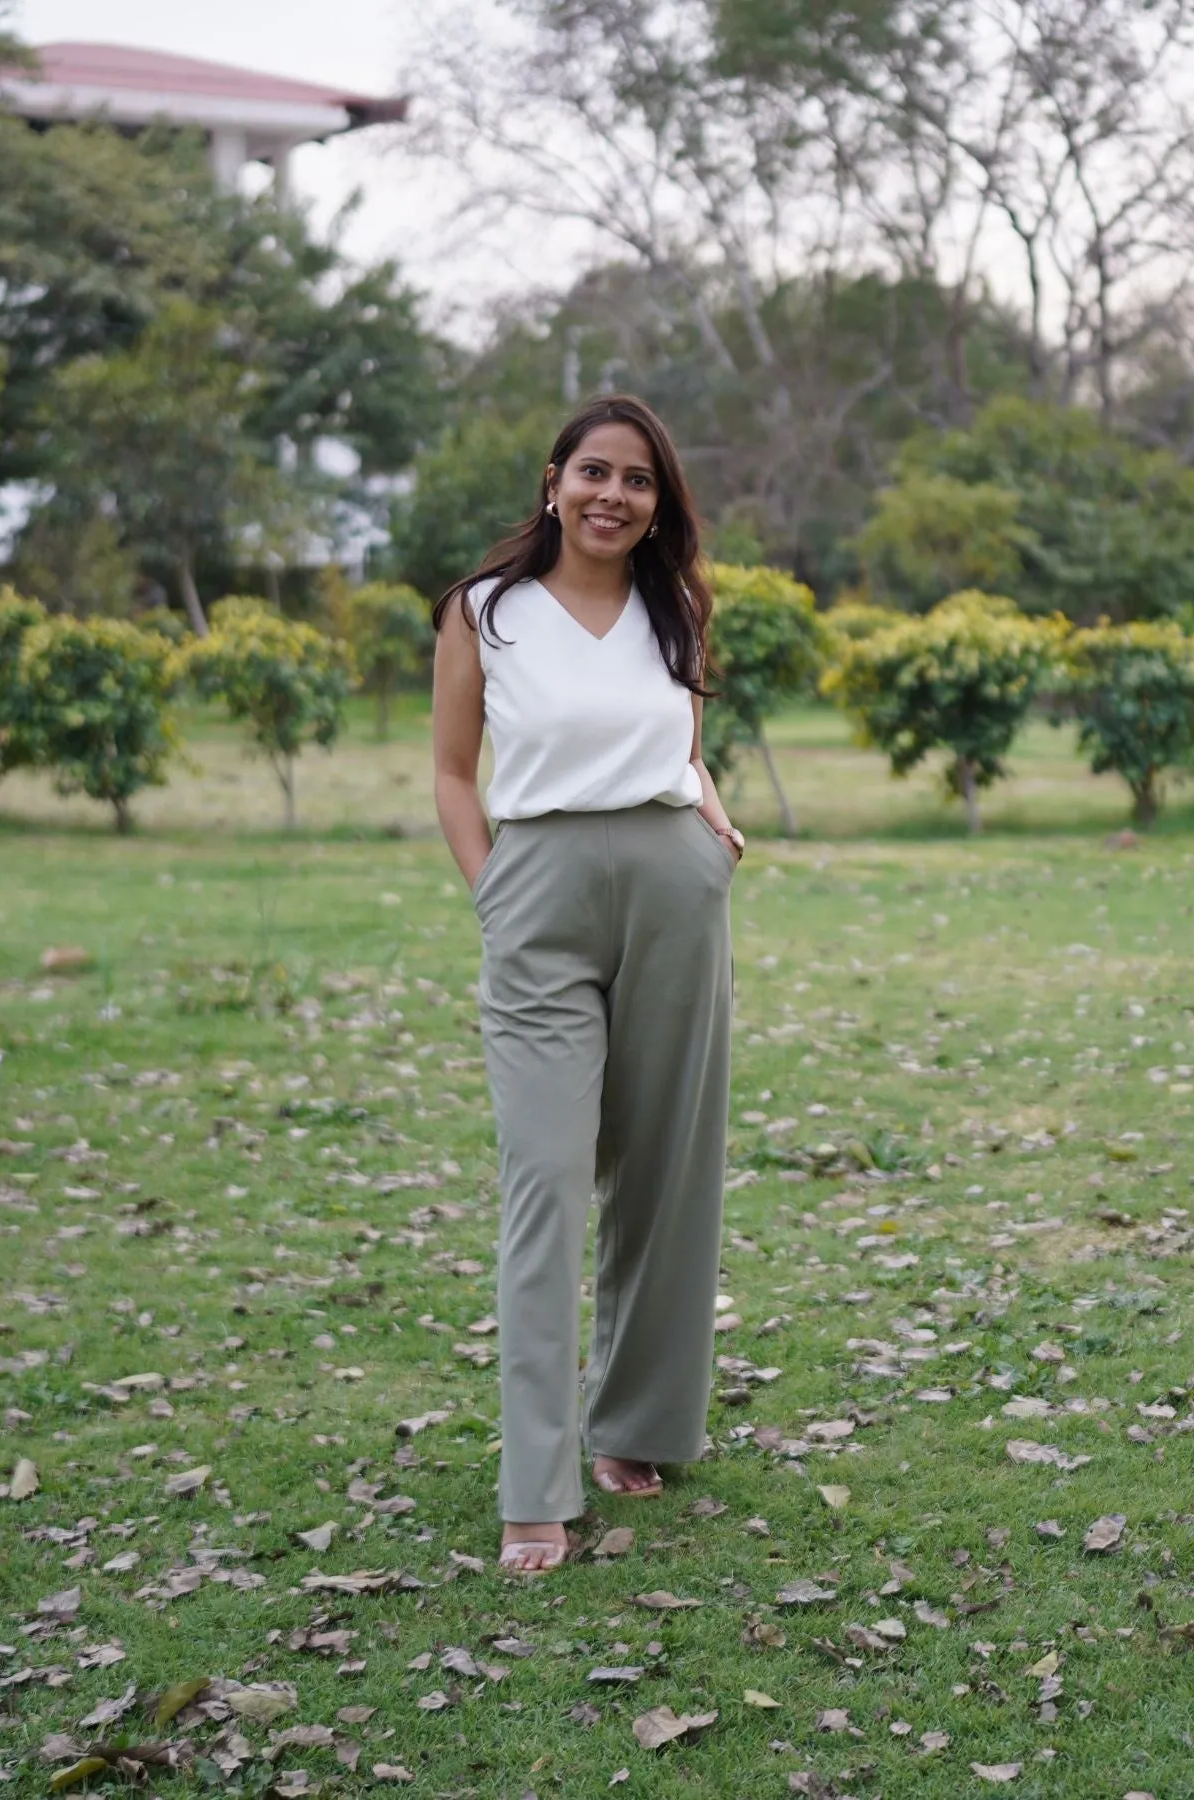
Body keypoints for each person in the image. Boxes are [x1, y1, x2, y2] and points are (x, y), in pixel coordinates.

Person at [431, 394, 744, 1573]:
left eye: (641, 481)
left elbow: (683, 741)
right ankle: (535, 1483)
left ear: (659, 504)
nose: (616, 496)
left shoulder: (675, 602)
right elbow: (455, 773)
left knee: (667, 1166)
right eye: (596, 473)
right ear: (554, 479)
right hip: (540, 890)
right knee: (546, 1181)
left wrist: (713, 822)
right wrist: (493, 891)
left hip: (672, 887)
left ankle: (637, 1427)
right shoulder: (485, 611)